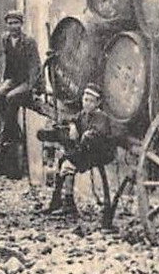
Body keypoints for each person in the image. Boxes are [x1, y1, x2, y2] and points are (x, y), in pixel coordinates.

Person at [44, 85, 119, 217]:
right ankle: (57, 201)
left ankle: (69, 204)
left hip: (99, 154)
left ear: (98, 103)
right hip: (85, 152)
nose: (87, 104)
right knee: (63, 160)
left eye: (91, 101)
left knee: (68, 162)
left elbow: (98, 135)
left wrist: (86, 136)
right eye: (85, 100)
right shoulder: (83, 114)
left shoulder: (101, 117)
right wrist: (73, 126)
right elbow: (72, 119)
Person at [0, 10, 42, 180]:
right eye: (10, 23)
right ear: (7, 25)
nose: (13, 27)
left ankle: (4, 136)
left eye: (16, 23)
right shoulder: (5, 39)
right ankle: (14, 130)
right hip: (13, 79)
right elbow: (8, 62)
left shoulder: (29, 42)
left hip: (26, 81)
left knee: (11, 98)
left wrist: (33, 87)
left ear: (21, 24)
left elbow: (35, 66)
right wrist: (4, 82)